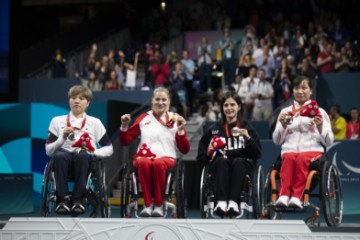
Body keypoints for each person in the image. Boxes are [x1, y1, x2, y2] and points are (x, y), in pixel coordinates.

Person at [119, 87, 190, 217]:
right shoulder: (143, 118)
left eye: (164, 100)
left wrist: (180, 130)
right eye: (157, 99)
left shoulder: (175, 119)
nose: (160, 102)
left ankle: (158, 204)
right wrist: (124, 126)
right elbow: (126, 140)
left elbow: (184, 149)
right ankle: (147, 205)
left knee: (158, 164)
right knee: (144, 163)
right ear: (152, 101)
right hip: (144, 157)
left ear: (169, 102)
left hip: (166, 157)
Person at [45, 85, 114, 214]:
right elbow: (49, 151)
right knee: (59, 156)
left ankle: (78, 199)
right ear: (69, 101)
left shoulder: (95, 122)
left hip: (85, 160)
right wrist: (62, 138)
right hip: (63, 159)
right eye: (73, 97)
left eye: (81, 98)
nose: (77, 101)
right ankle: (62, 199)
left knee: (83, 156)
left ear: (87, 103)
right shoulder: (57, 121)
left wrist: (92, 152)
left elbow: (109, 148)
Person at [197, 91, 262, 216]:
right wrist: (209, 152)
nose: (229, 108)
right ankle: (221, 201)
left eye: (232, 105)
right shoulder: (214, 130)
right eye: (226, 105)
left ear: (239, 107)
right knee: (221, 160)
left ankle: (233, 202)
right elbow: (201, 157)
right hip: (220, 165)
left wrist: (248, 138)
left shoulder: (247, 129)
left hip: (241, 166)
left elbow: (257, 154)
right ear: (222, 108)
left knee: (238, 161)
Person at [273, 76, 334, 208]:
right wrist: (282, 126)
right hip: (289, 150)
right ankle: (283, 195)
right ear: (293, 90)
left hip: (312, 151)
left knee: (301, 158)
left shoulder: (319, 112)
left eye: (304, 88)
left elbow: (329, 141)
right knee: (289, 158)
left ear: (311, 91)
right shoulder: (285, 112)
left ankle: (296, 196)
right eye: (296, 88)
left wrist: (320, 127)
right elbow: (277, 140)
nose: (300, 91)